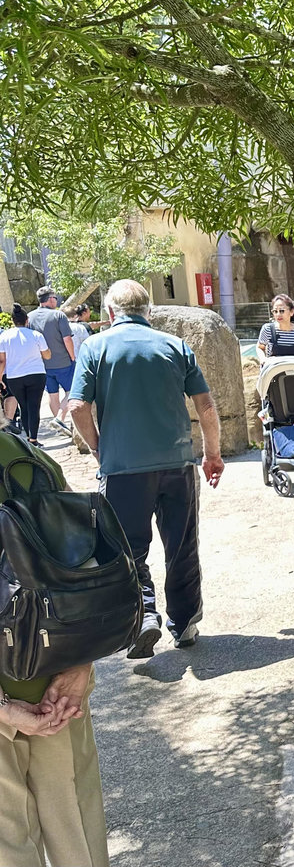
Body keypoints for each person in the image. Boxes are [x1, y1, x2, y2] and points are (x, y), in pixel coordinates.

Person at [67, 279, 224, 659]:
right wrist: (212, 454)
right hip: (176, 464)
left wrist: (98, 448)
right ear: (148, 312)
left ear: (110, 313)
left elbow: (76, 407)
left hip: (122, 469)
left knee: (128, 551)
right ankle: (184, 623)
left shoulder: (95, 346)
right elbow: (205, 407)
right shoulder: (175, 346)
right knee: (181, 546)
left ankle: (144, 617)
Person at [0, 431, 110, 867]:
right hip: (57, 684)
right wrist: (79, 666)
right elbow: (84, 574)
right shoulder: (31, 460)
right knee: (77, 837)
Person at [27, 287, 75, 436]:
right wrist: (72, 357)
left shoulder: (30, 317)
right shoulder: (58, 315)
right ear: (50, 299)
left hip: (42, 364)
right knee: (72, 391)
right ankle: (60, 419)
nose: (57, 300)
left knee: (52, 395)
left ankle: (59, 425)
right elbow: (67, 339)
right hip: (63, 362)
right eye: (55, 297)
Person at [0, 304, 51, 445]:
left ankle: (29, 438)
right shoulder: (36, 335)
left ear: (12, 320)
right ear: (27, 320)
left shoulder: (4, 336)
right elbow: (47, 355)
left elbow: (2, 361)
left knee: (23, 406)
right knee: (34, 406)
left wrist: (0, 378)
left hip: (14, 376)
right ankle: (33, 438)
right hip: (36, 373)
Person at [256, 294, 294, 363]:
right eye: (275, 311)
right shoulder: (267, 329)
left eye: (281, 311)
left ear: (291, 312)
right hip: (274, 372)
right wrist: (263, 359)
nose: (278, 314)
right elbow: (260, 348)